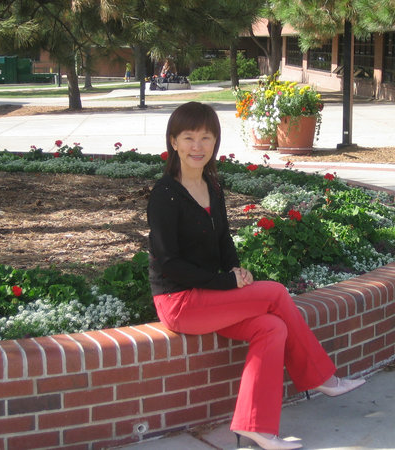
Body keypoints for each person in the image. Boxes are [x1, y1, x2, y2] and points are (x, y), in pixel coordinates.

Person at [147, 102, 365, 450]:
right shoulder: (165, 195)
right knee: (275, 293)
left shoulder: (213, 187)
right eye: (188, 138)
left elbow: (222, 240)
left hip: (211, 298)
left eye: (206, 137)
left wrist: (236, 270)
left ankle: (254, 426)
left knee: (272, 327)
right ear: (173, 142)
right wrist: (226, 283)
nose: (197, 146)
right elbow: (169, 263)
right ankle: (320, 377)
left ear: (215, 141)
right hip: (179, 301)